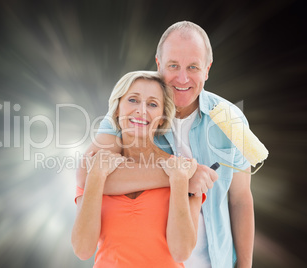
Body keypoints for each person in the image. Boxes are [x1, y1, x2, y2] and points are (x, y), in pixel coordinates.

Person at [76, 21, 254, 268]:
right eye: (173, 66)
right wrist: (180, 174)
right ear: (159, 65)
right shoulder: (133, 118)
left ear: (207, 69)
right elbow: (88, 174)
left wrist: (244, 265)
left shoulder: (232, 119)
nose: (182, 78)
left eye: (193, 67)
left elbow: (241, 199)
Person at [71, 71, 206, 267]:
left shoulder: (183, 170)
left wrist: (178, 181)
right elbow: (83, 250)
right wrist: (97, 176)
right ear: (117, 110)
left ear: (161, 118)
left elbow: (181, 251)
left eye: (152, 104)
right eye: (133, 100)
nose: (141, 110)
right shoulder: (95, 167)